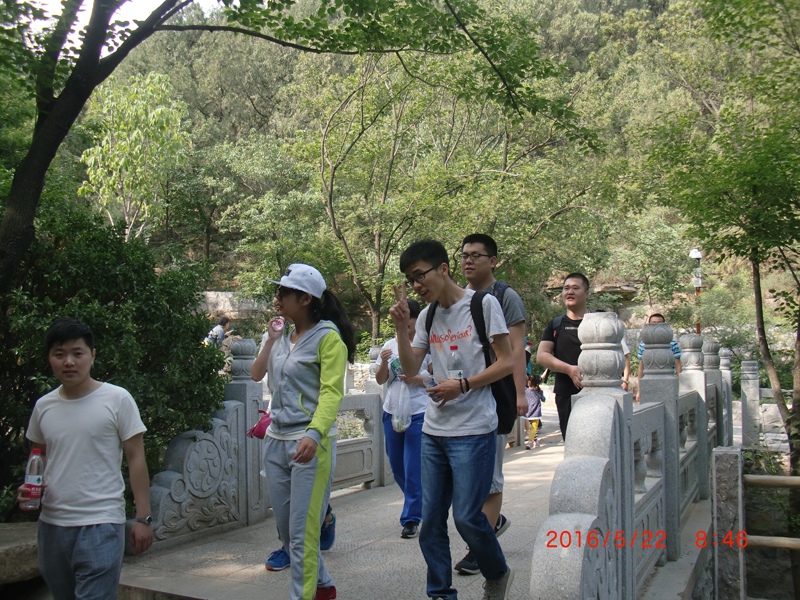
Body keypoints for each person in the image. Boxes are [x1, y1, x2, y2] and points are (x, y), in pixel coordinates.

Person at [389, 240, 515, 600]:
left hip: (474, 429)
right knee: (431, 522)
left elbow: (507, 362)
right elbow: (410, 368)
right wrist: (400, 329)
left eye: (420, 275)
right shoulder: (427, 316)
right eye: (411, 279)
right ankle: (440, 593)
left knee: (466, 517)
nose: (416, 285)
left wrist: (463, 385)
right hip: (434, 430)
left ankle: (497, 572)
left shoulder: (482, 304)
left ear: (443, 269)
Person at [18, 318, 153, 600]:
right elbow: (39, 456)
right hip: (52, 525)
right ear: (50, 359)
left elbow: (136, 458)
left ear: (92, 355)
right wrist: (30, 489)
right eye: (59, 354)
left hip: (100, 523)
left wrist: (143, 518)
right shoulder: (44, 406)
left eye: (77, 353)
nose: (68, 362)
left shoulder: (117, 399)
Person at [250, 264, 356, 600]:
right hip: (276, 440)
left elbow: (331, 393)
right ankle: (322, 585)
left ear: (305, 298)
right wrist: (271, 340)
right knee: (287, 531)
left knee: (303, 534)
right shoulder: (281, 335)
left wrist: (315, 432)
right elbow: (256, 374)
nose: (277, 297)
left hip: (310, 443)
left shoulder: (328, 338)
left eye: (284, 292)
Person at [454, 234, 527, 576]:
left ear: (493, 260)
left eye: (476, 255)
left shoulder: (504, 296)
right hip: (464, 395)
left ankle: (477, 549)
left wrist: (520, 394)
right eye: (464, 255)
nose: (468, 261)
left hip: (497, 393)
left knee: (491, 474)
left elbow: (515, 350)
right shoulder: (458, 297)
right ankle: (490, 524)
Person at [375, 298, 431, 539]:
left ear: (417, 320)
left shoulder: (426, 345)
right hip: (392, 411)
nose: (405, 325)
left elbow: (435, 379)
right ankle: (420, 501)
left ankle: (411, 518)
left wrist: (415, 378)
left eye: (409, 321)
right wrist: (383, 361)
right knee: (397, 466)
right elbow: (381, 380)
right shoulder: (389, 345)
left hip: (419, 411)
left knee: (412, 467)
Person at [536, 273, 590, 440]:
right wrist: (569, 370)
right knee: (572, 442)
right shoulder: (556, 324)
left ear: (587, 293)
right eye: (566, 288)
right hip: (566, 394)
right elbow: (541, 356)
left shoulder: (597, 322)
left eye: (575, 288)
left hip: (595, 393)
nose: (569, 292)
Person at [636, 313, 682, 402]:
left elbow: (678, 365)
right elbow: (641, 367)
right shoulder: (643, 344)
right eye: (653, 323)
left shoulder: (672, 343)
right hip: (649, 384)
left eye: (659, 323)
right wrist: (639, 390)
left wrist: (681, 386)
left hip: (668, 383)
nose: (656, 326)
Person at [524, 375, 544, 449]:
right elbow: (543, 399)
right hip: (536, 413)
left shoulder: (526, 391)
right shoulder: (539, 392)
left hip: (528, 412)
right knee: (534, 428)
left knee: (532, 428)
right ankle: (530, 442)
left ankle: (535, 442)